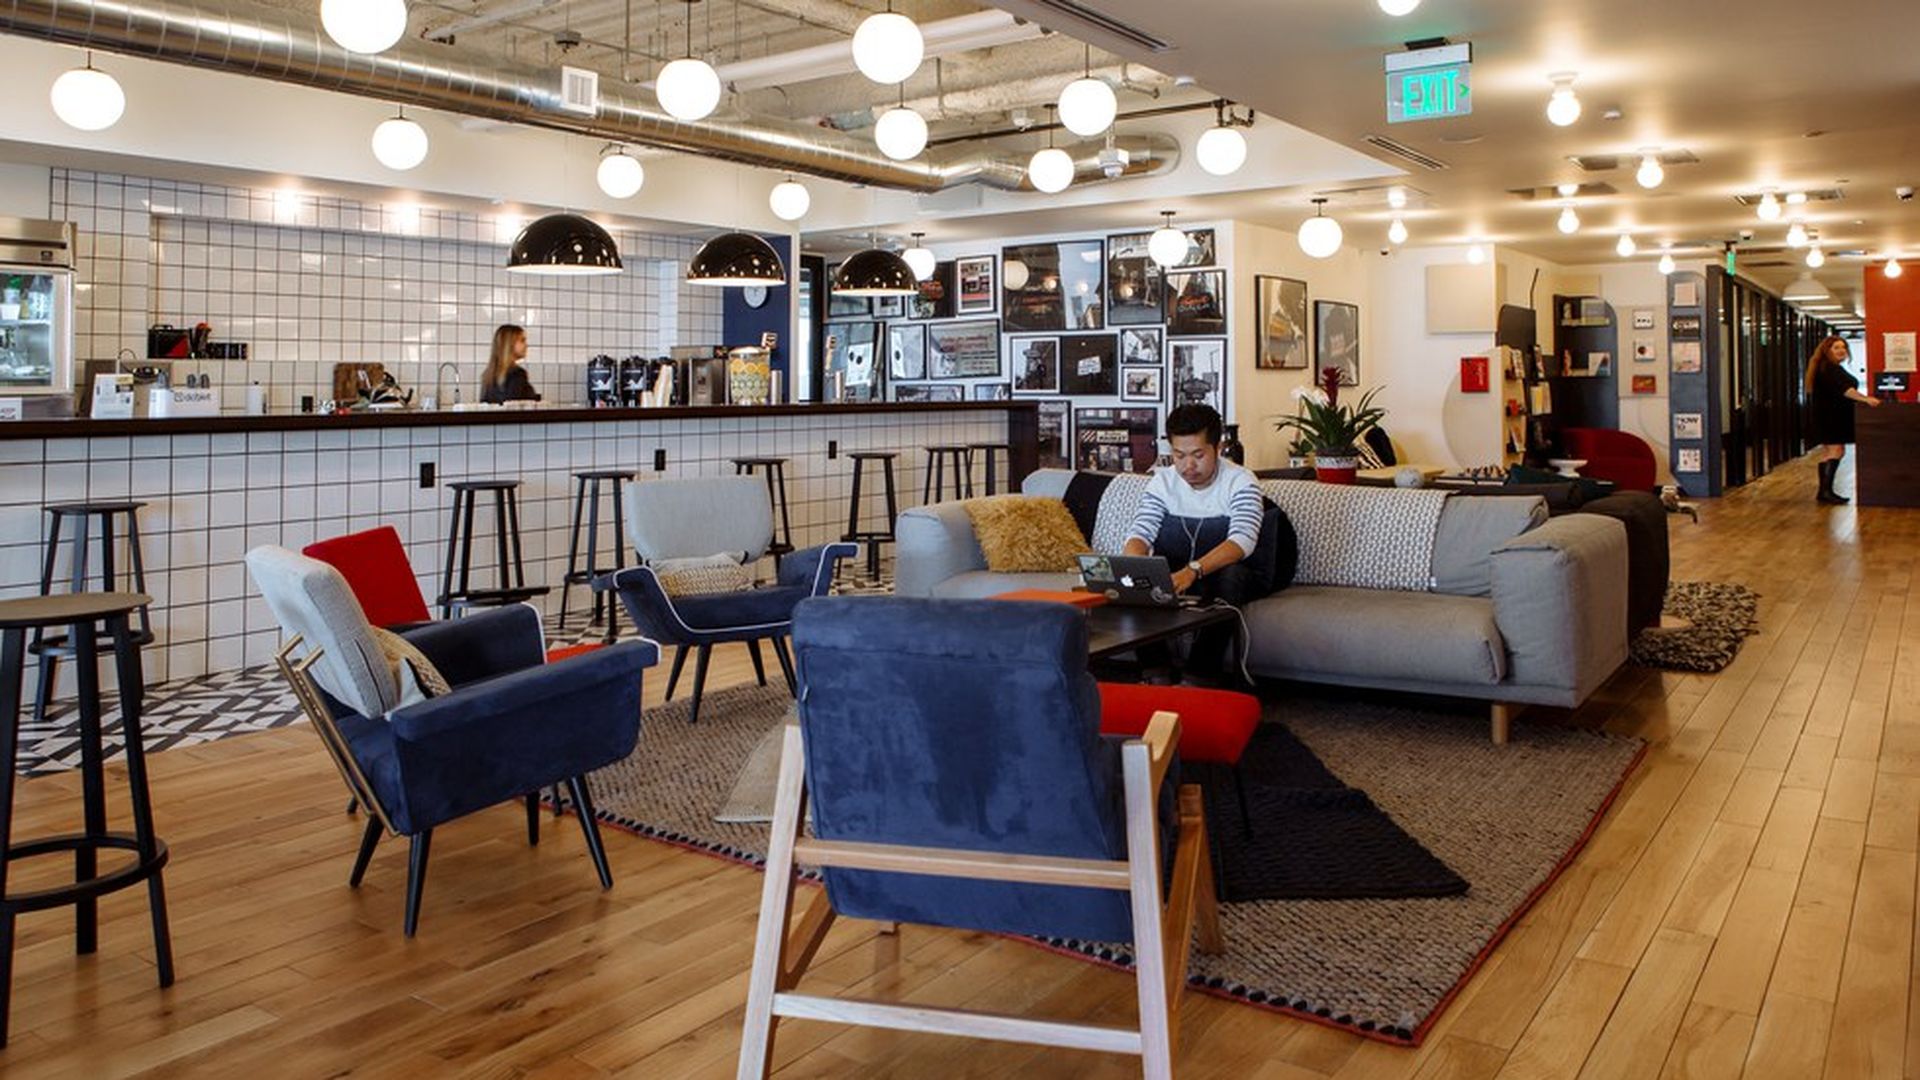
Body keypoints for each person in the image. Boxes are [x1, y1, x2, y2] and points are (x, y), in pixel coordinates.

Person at [1123, 403, 1272, 676]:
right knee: (1138, 576)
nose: (1188, 466)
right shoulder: (1162, 482)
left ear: (1218, 448)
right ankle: (1156, 673)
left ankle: (1200, 675)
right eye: (1179, 455)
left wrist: (1193, 571)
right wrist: (1133, 565)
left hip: (1230, 572)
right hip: (1179, 569)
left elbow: (1242, 540)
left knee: (1231, 576)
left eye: (1198, 455)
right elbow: (1140, 532)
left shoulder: (1241, 481)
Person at [1804, 336, 1880, 504]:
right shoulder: (1829, 368)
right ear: (1827, 351)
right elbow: (1846, 390)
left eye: (1843, 347)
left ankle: (1824, 491)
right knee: (1836, 450)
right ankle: (1825, 492)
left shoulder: (1827, 367)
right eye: (1836, 347)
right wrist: (1866, 399)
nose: (1841, 350)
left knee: (1830, 452)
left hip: (1829, 416)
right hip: (1831, 417)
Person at [481, 324, 541, 404]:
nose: (526, 345)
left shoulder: (489, 375)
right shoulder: (517, 373)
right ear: (509, 344)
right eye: (522, 340)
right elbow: (514, 406)